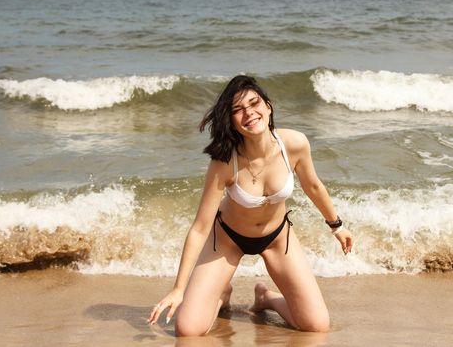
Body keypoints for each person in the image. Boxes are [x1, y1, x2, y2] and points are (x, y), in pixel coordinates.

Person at [147, 75, 353, 336]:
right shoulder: (224, 161)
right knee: (187, 331)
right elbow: (200, 228)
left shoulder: (294, 144)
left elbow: (314, 187)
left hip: (278, 238)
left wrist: (337, 227)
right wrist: (178, 289)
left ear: (268, 106)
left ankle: (267, 298)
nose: (249, 113)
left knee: (316, 325)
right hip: (227, 240)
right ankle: (222, 294)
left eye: (254, 103)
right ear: (231, 121)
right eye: (238, 110)